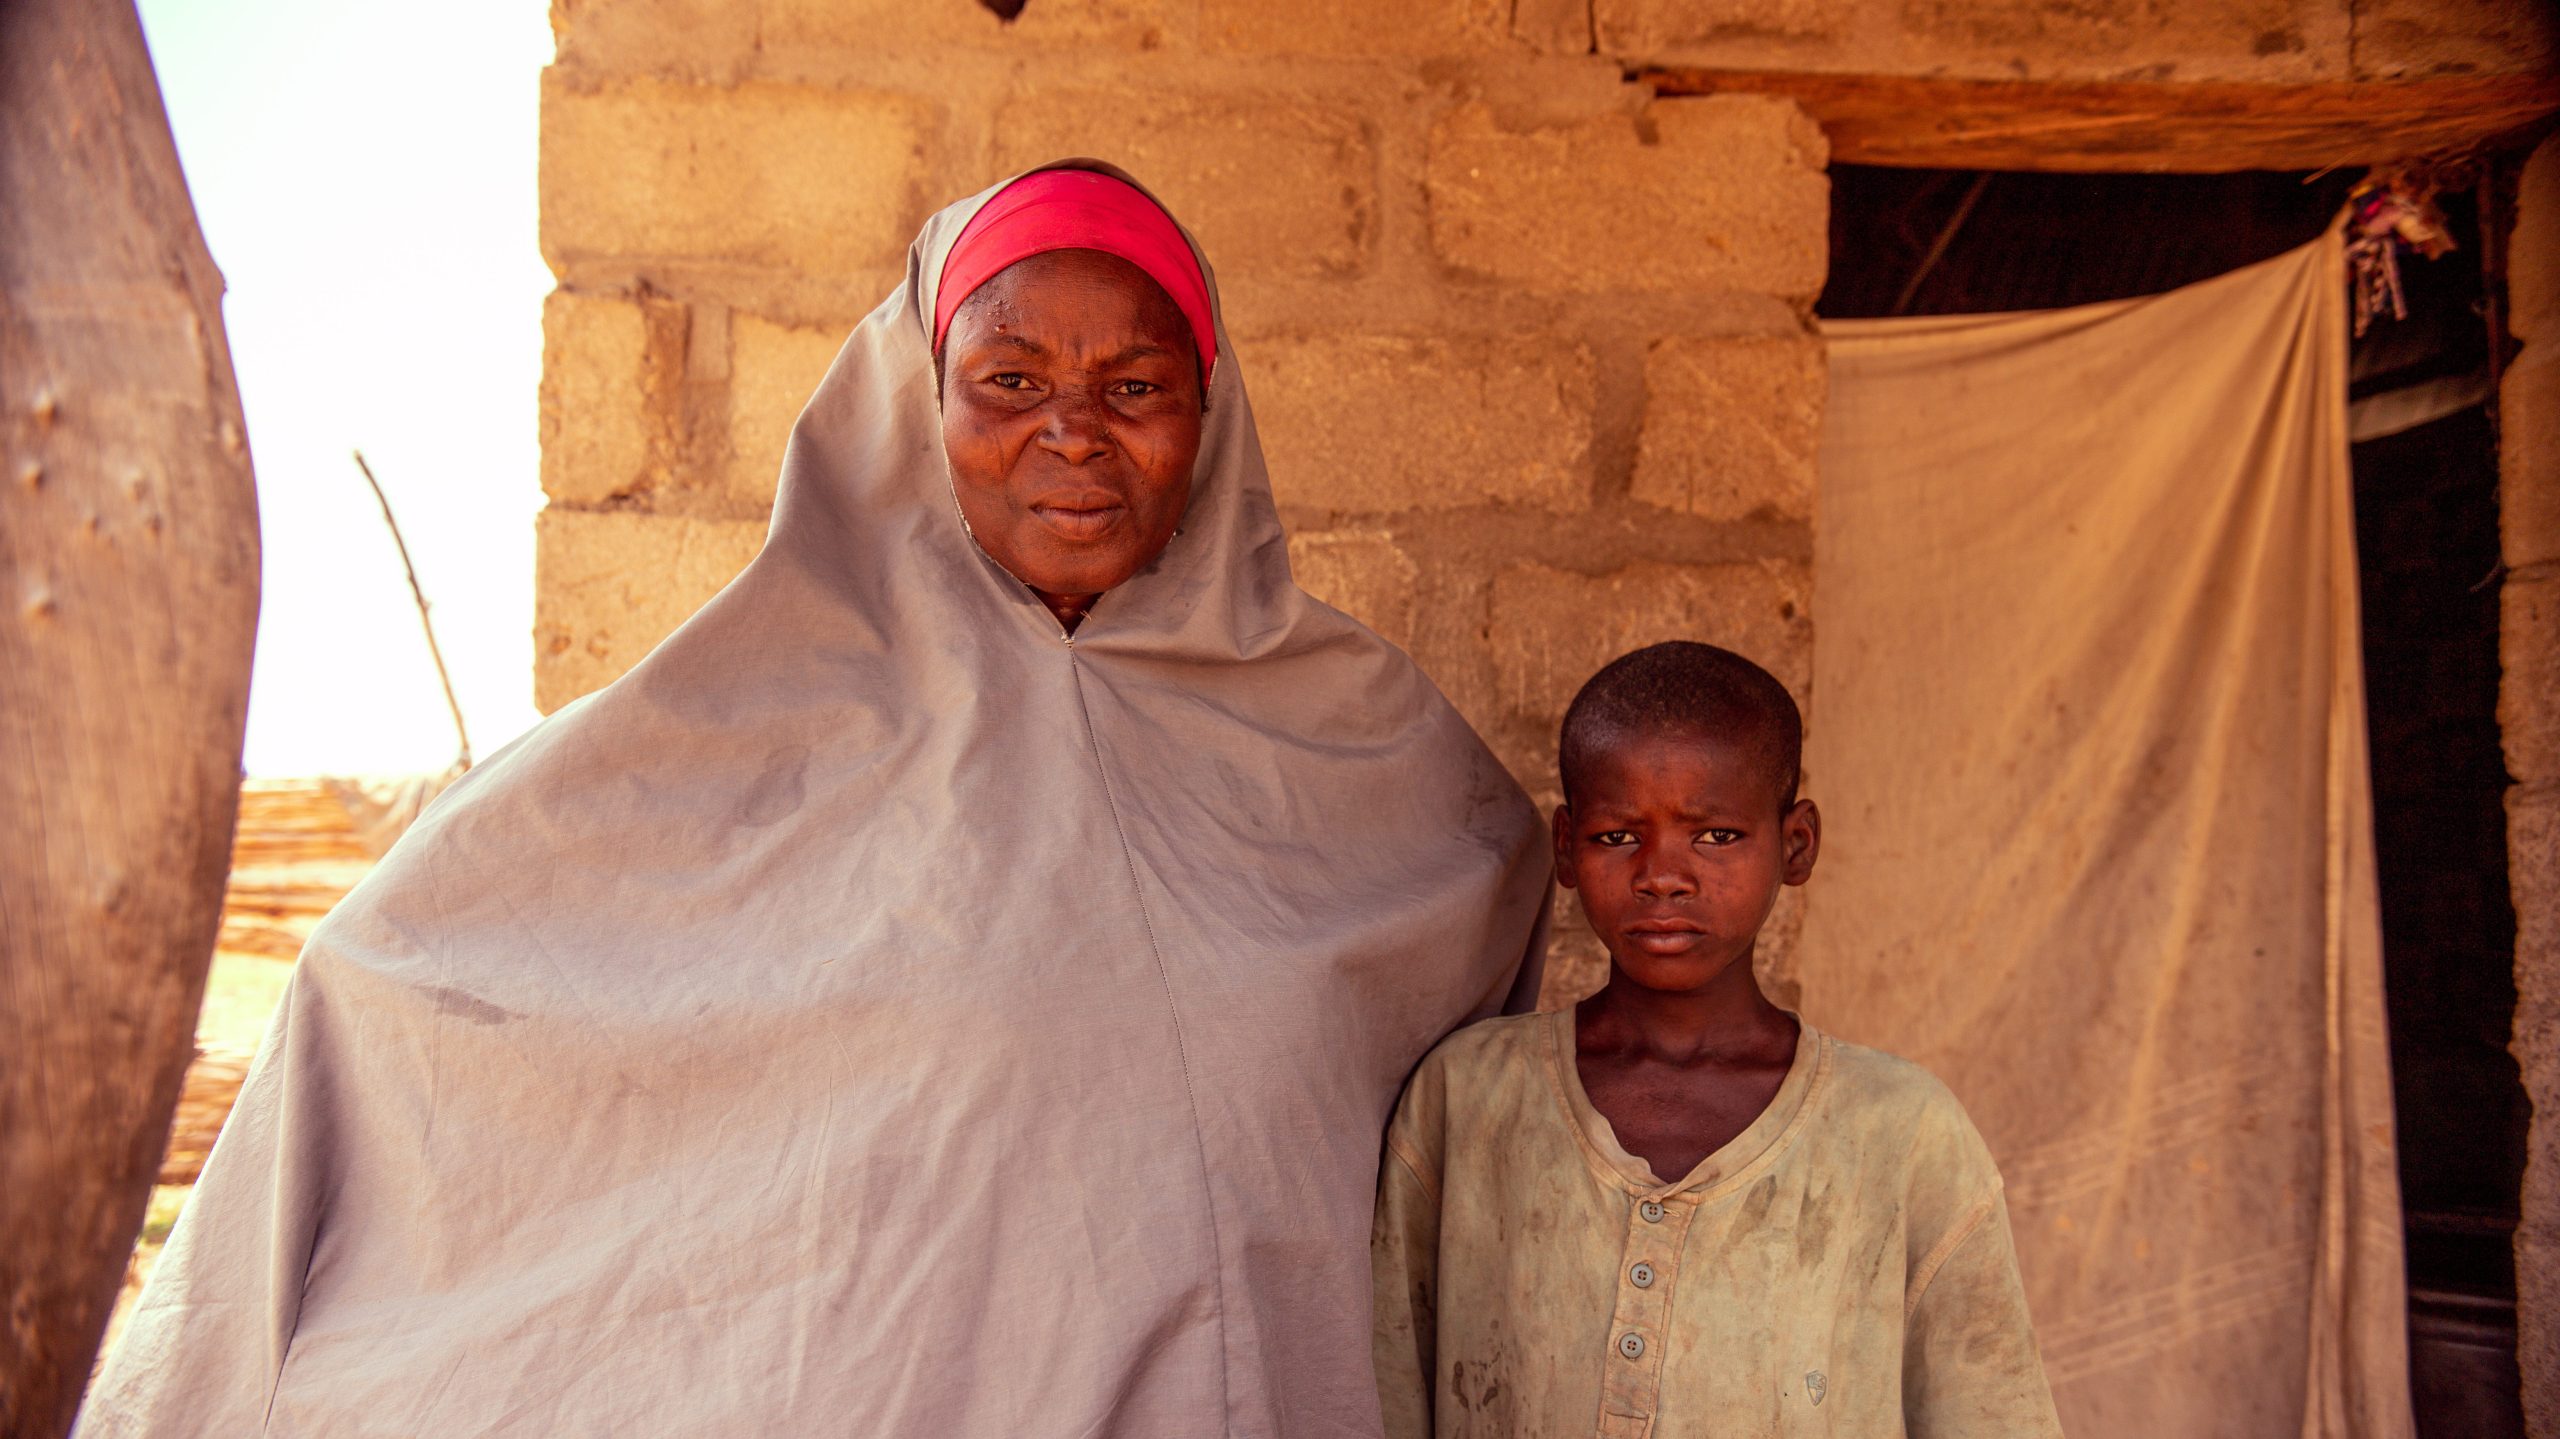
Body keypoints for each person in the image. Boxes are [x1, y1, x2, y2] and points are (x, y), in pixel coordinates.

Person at [84, 164, 1551, 1437]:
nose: (1075, 434)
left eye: (1136, 386)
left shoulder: (1371, 759)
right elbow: (398, 979)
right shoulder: (738, 724)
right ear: (922, 399)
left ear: (1209, 409)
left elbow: (1477, 991)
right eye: (1012, 379)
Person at [1371, 641, 2063, 1439]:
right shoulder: (1469, 1100)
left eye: (1718, 836)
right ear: (1565, 847)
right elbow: (1380, 1390)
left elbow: (1992, 1410)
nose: (1664, 875)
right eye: (1617, 837)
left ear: (1795, 844)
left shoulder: (1900, 1133)